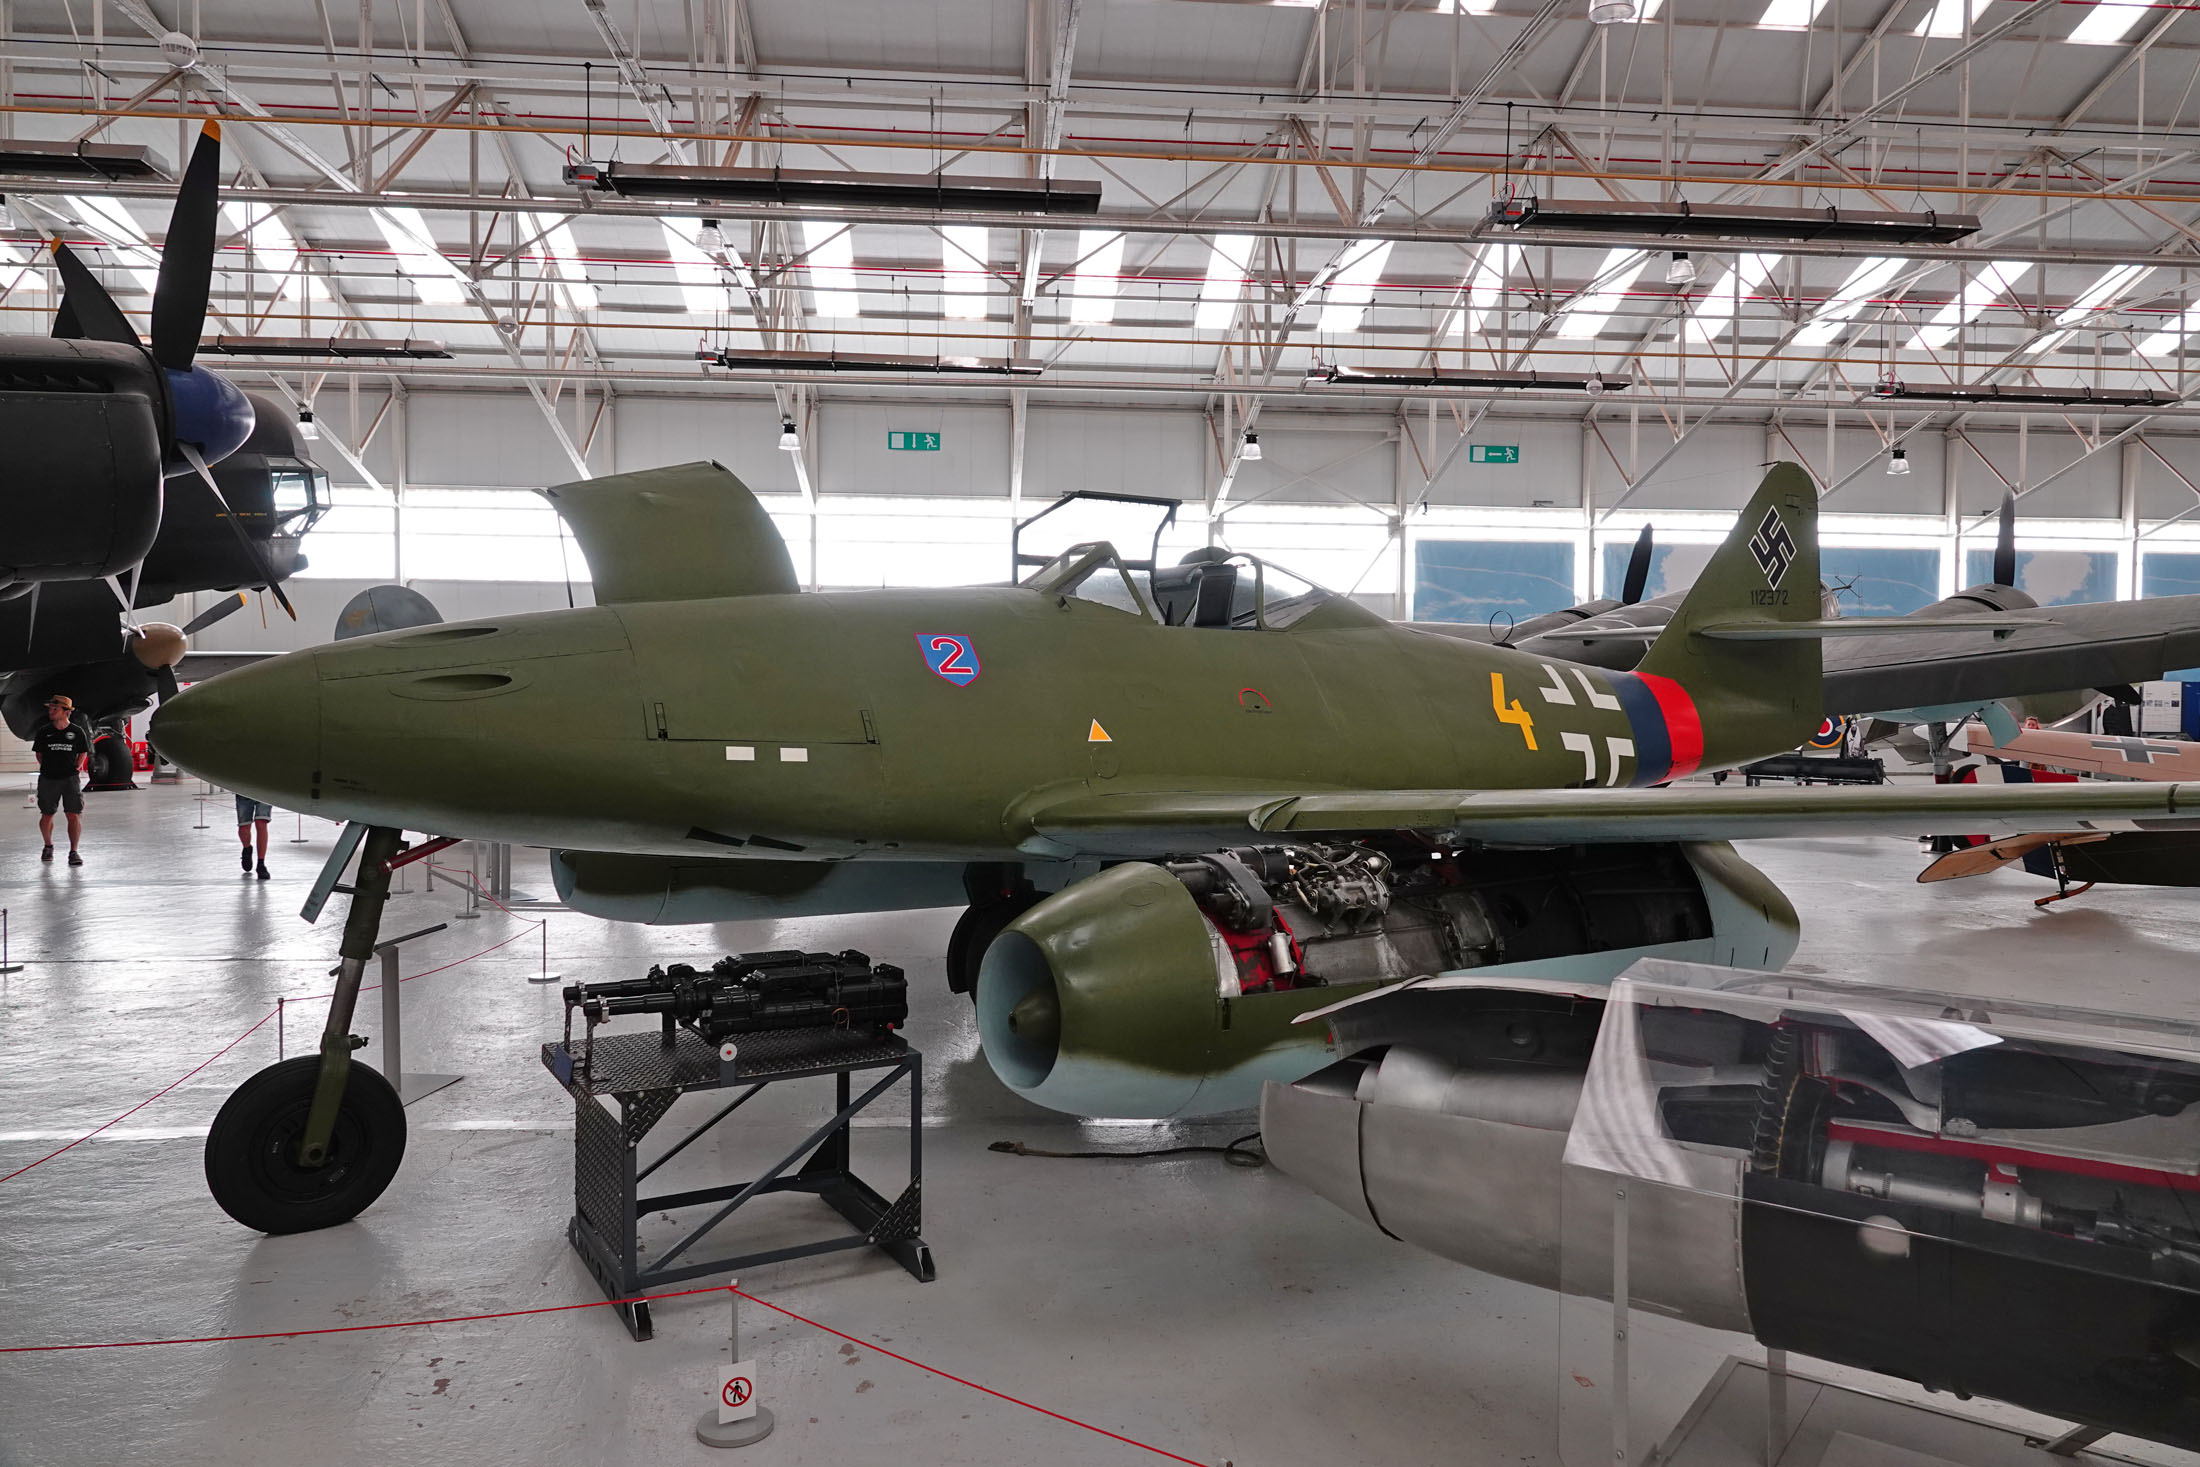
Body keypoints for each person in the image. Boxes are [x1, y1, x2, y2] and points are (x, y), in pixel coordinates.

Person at [31, 695, 91, 867]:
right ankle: (48, 846)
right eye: (50, 708)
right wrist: (50, 768)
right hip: (48, 778)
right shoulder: (44, 732)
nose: (51, 711)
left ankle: (74, 851)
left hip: (70, 779)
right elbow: (39, 754)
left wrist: (75, 768)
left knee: (73, 814)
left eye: (54, 709)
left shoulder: (77, 732)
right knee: (47, 814)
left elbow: (82, 752)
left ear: (66, 712)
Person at [235, 795, 272, 880]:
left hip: (265, 789)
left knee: (261, 823)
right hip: (244, 790)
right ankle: (247, 848)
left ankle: (261, 863)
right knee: (244, 828)